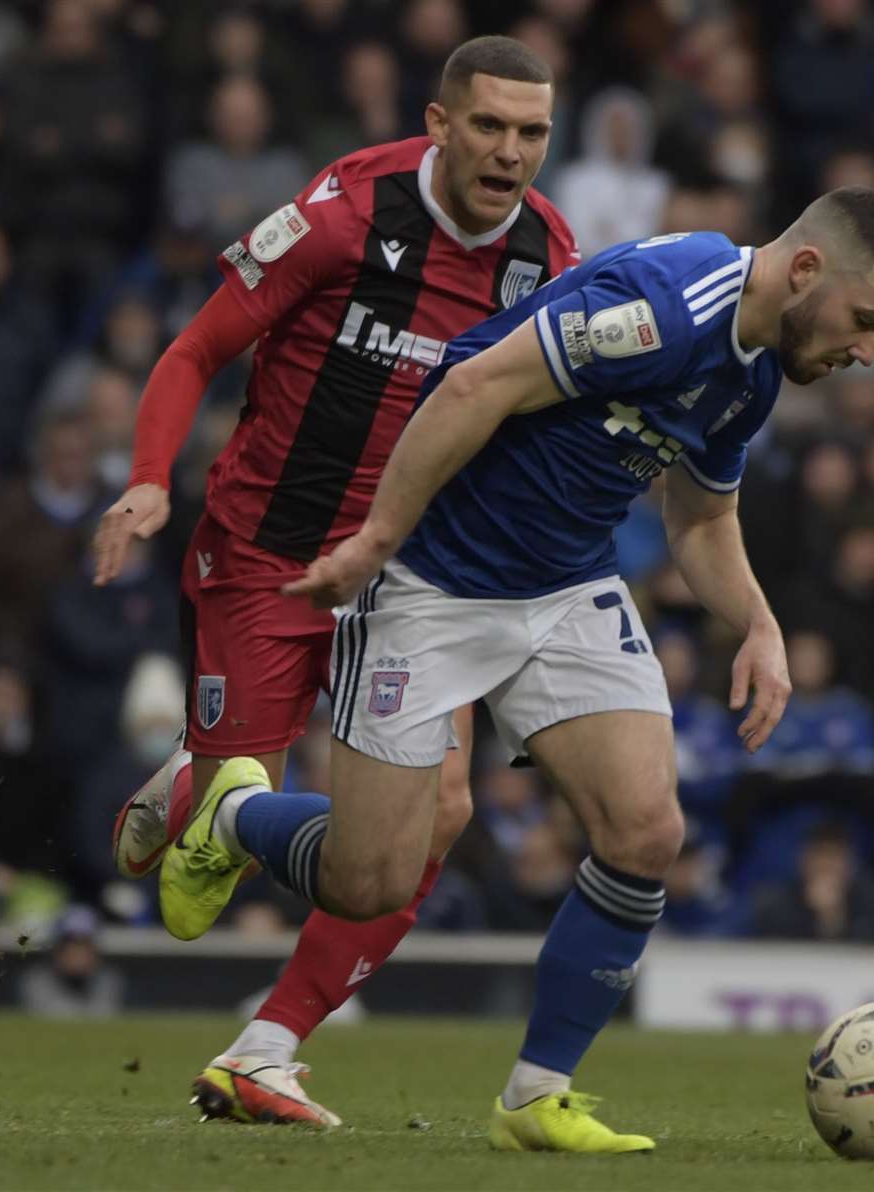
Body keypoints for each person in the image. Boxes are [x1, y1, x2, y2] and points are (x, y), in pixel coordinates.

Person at [159, 185, 874, 1152]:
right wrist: (377, 541)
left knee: (647, 829)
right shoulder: (665, 302)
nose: (869, 354)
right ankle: (226, 813)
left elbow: (700, 516)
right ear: (807, 269)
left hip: (564, 587)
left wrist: (760, 626)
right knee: (370, 881)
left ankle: (536, 1095)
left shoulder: (757, 372)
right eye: (869, 322)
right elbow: (475, 384)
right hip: (431, 583)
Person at [92, 35, 575, 1127]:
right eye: (489, 125)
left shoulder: (547, 255)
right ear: (441, 122)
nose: (510, 151)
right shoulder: (340, 215)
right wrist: (147, 481)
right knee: (207, 877)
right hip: (267, 553)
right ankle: (199, 788)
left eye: (533, 131)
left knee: (440, 814)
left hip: (413, 578)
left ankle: (264, 1050)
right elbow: (191, 352)